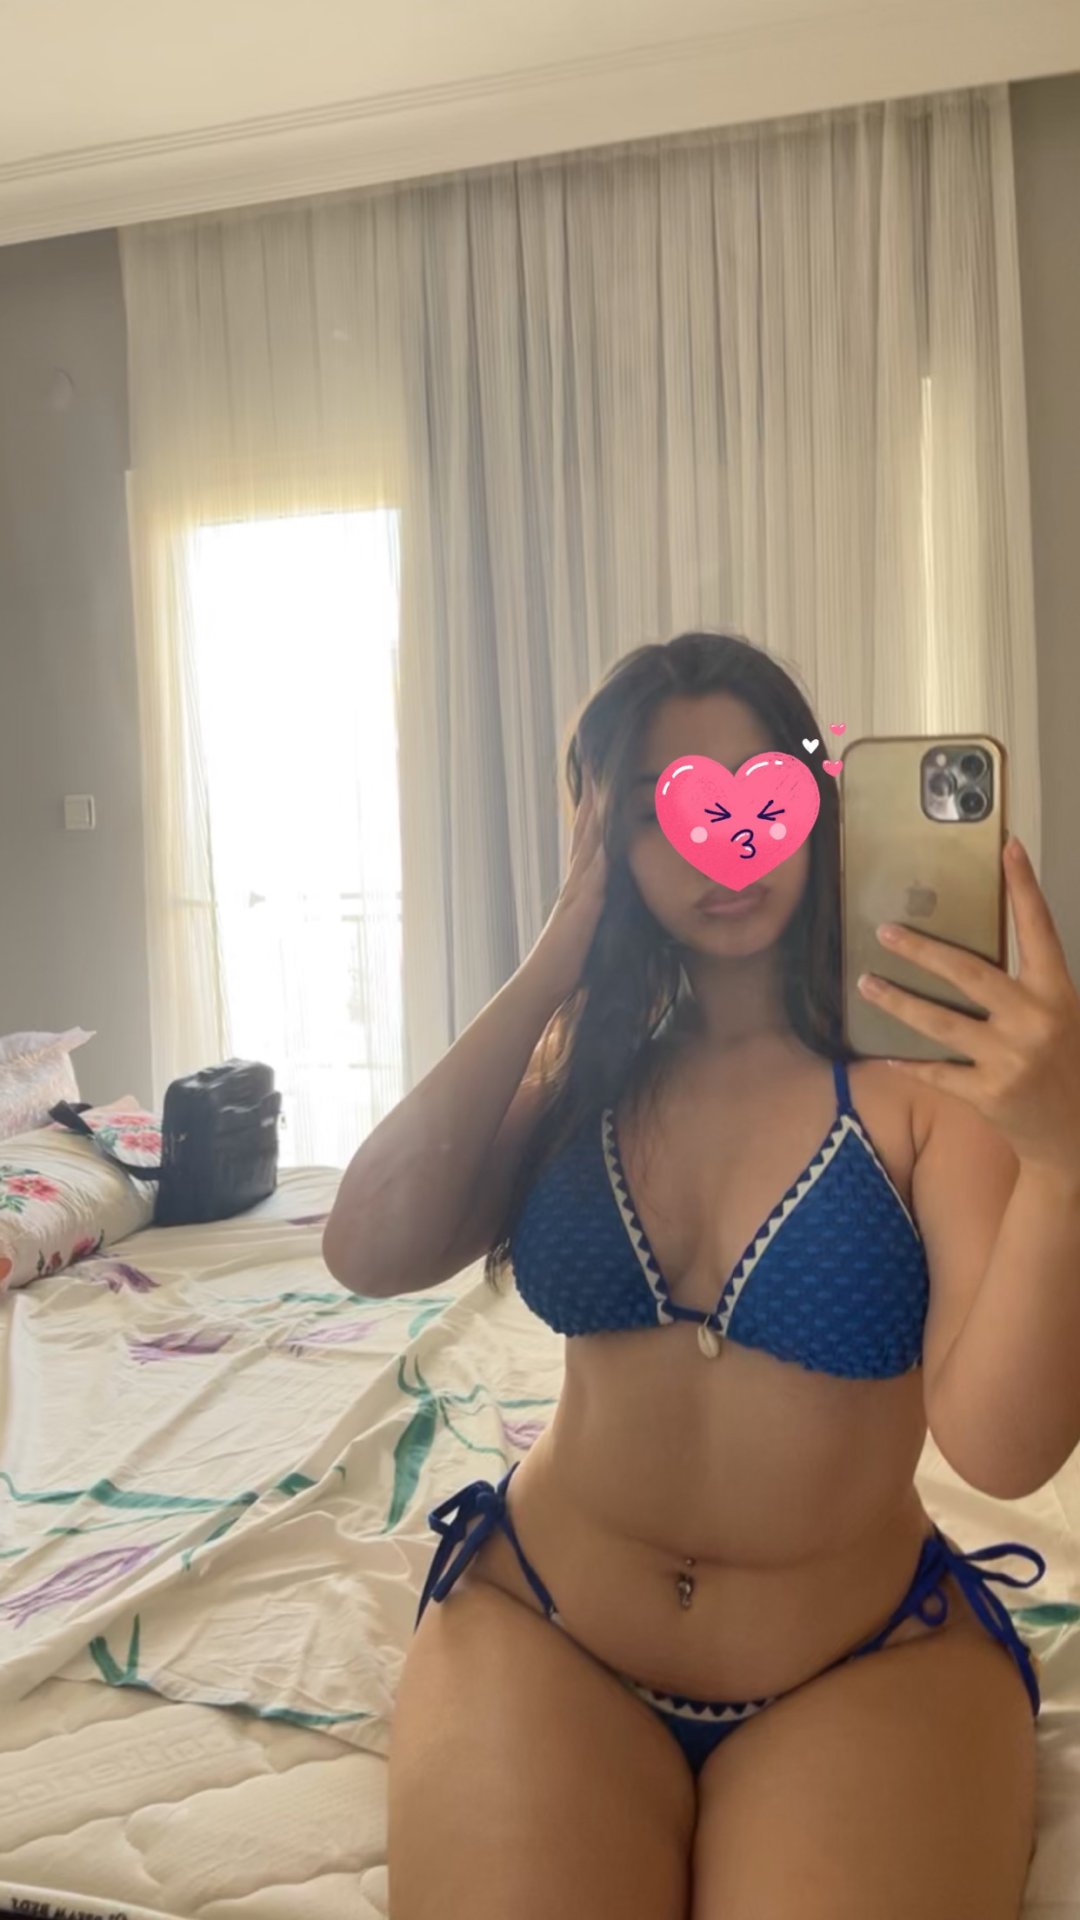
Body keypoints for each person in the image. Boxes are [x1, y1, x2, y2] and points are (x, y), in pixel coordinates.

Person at [324, 631, 1080, 1920]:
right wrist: (557, 953)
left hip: (863, 1662)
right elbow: (368, 1245)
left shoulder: (924, 1089)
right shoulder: (590, 1072)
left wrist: (1063, 1160)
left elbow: (1002, 1452)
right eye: (660, 811)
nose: (725, 847)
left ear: (820, 802)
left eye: (759, 794)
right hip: (544, 1627)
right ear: (603, 841)